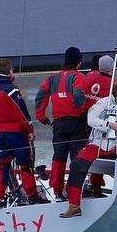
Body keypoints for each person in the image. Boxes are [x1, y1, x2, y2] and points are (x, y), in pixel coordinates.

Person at [60, 82, 117, 218]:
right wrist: (109, 125)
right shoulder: (103, 103)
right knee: (77, 164)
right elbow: (91, 119)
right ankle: (74, 205)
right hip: (97, 144)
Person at [0, 58, 48, 207]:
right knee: (25, 165)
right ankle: (32, 196)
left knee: (2, 165)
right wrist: (30, 129)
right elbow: (21, 112)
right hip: (16, 134)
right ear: (9, 70)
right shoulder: (11, 89)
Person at [35, 46, 87, 200]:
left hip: (58, 123)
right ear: (78, 63)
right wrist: (81, 111)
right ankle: (73, 191)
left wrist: (41, 117)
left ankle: (58, 192)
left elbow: (40, 97)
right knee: (76, 159)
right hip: (76, 122)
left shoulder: (52, 78)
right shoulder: (78, 77)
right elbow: (78, 96)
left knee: (59, 158)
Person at [81, 54, 115, 198]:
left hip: (82, 120)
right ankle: (96, 187)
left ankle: (78, 184)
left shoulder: (87, 77)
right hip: (99, 124)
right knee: (98, 153)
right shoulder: (112, 84)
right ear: (112, 68)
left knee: (81, 154)